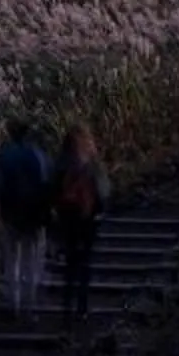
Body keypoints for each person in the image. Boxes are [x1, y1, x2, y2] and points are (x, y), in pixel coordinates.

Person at [0, 120, 50, 316]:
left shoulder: (4, 156)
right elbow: (48, 185)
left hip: (10, 213)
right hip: (34, 214)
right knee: (32, 259)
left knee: (11, 259)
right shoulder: (39, 156)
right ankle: (30, 304)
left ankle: (13, 303)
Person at [48, 126, 110, 323]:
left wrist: (54, 212)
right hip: (87, 218)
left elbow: (52, 190)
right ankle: (82, 308)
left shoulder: (61, 162)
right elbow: (102, 190)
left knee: (70, 261)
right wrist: (100, 210)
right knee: (85, 262)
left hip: (67, 217)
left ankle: (66, 306)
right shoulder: (92, 163)